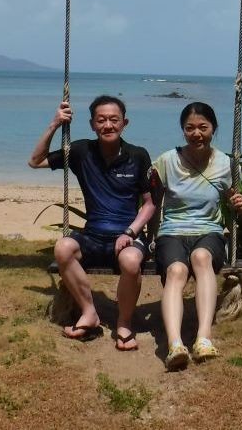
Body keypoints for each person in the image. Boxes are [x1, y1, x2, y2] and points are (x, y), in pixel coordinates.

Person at [28, 95, 154, 351]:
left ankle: (124, 322)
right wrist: (55, 124)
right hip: (93, 236)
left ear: (125, 123)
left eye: (114, 120)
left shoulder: (138, 155)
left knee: (131, 261)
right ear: (92, 125)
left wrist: (130, 232)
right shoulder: (81, 151)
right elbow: (36, 161)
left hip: (127, 236)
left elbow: (150, 204)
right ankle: (89, 312)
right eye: (101, 120)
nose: (108, 125)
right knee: (63, 248)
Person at [151, 101, 242, 371]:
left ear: (213, 128)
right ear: (182, 130)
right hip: (172, 231)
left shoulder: (227, 164)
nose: (196, 133)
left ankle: (203, 338)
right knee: (177, 270)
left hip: (209, 231)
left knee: (201, 257)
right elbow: (152, 203)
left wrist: (240, 204)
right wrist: (149, 237)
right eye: (189, 128)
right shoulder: (166, 161)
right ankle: (175, 344)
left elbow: (236, 200)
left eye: (203, 127)